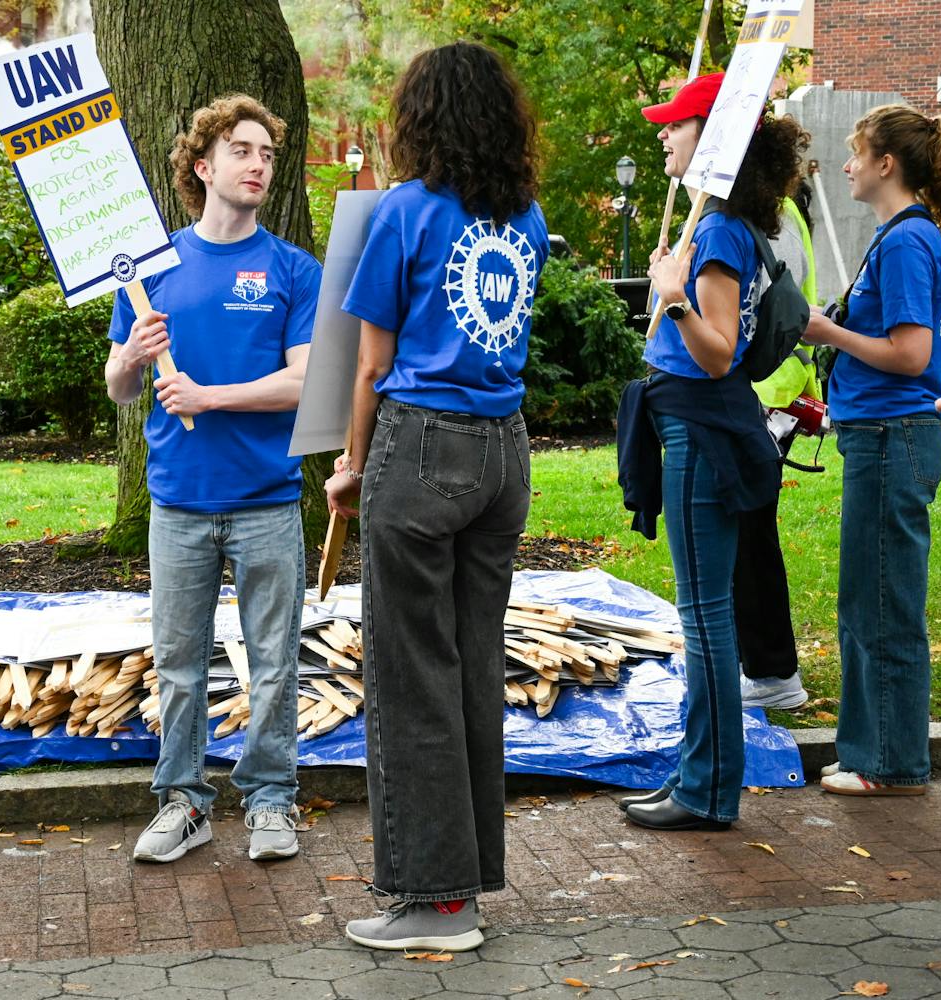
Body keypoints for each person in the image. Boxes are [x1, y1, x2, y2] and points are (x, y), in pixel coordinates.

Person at [324, 41, 549, 952]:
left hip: (422, 447)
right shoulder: (525, 216)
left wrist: (349, 464)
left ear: (421, 118)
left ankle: (432, 901)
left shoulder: (405, 213)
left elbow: (373, 365)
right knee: (471, 666)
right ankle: (465, 885)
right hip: (505, 452)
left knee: (411, 673)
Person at [107, 94, 320, 865]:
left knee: (273, 662)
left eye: (266, 153)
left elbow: (304, 384)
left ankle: (270, 801)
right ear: (204, 166)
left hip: (267, 501)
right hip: (179, 506)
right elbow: (120, 389)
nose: (258, 163)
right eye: (241, 150)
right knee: (180, 665)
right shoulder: (150, 268)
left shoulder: (294, 270)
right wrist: (131, 354)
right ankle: (184, 802)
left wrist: (209, 397)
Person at [615, 72, 806, 831]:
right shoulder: (720, 224)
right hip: (697, 426)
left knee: (704, 620)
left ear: (716, 138)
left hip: (704, 431)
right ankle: (700, 777)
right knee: (707, 615)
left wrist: (674, 292)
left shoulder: (722, 232)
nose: (663, 135)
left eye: (677, 125)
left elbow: (720, 350)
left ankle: (707, 790)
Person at [803, 103, 941, 796]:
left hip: (891, 438)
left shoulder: (906, 242)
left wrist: (829, 333)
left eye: (855, 152)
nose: (845, 165)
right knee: (869, 601)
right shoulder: (905, 236)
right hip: (884, 437)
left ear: (887, 164)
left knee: (881, 605)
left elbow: (911, 354)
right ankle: (877, 753)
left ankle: (891, 764)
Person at [734, 182, 823, 713]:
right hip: (767, 391)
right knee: (748, 534)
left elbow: (769, 305)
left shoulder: (773, 209)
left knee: (751, 535)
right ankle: (764, 665)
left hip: (768, 393)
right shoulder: (777, 207)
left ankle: (772, 671)